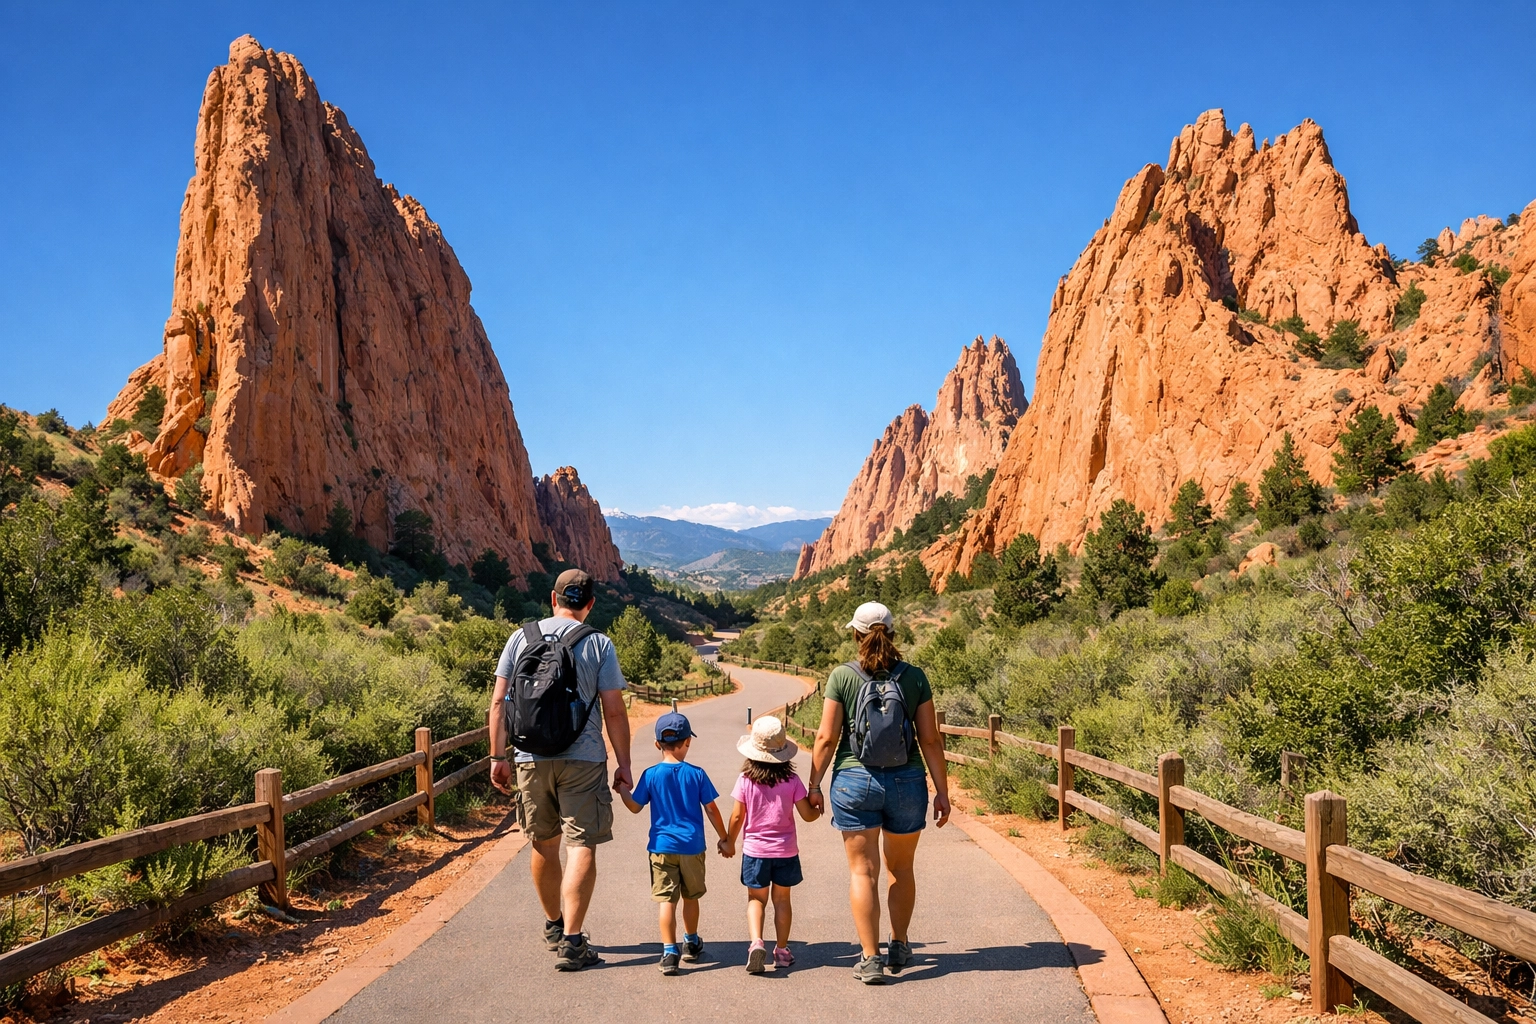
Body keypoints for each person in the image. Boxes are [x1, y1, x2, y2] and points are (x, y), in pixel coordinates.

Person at [489, 568, 632, 972]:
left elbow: (499, 702)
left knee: (543, 843)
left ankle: (554, 925)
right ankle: (573, 940)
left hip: (529, 758)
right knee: (581, 844)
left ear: (553, 599)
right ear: (589, 604)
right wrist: (623, 764)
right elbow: (615, 710)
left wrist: (498, 757)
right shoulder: (599, 644)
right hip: (584, 759)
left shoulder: (520, 638)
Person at [807, 601, 950, 985]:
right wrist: (942, 791)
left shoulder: (841, 676)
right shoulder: (915, 677)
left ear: (855, 633)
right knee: (901, 869)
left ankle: (870, 958)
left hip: (854, 781)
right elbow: (931, 739)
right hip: (907, 781)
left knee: (862, 871)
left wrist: (814, 785)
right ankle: (899, 945)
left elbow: (825, 738)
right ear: (893, 632)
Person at [617, 711, 730, 976]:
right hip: (692, 847)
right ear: (688, 741)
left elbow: (634, 806)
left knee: (667, 901)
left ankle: (669, 951)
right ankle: (690, 941)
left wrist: (622, 789)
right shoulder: (697, 774)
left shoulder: (651, 774)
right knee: (691, 897)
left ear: (657, 744)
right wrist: (724, 838)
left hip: (661, 848)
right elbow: (712, 809)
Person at [721, 715, 819, 974]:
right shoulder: (793, 781)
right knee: (782, 900)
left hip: (755, 852)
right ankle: (783, 951)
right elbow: (808, 815)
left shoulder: (745, 780)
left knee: (756, 899)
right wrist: (817, 808)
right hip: (786, 851)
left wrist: (729, 841)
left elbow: (737, 816)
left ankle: (756, 944)